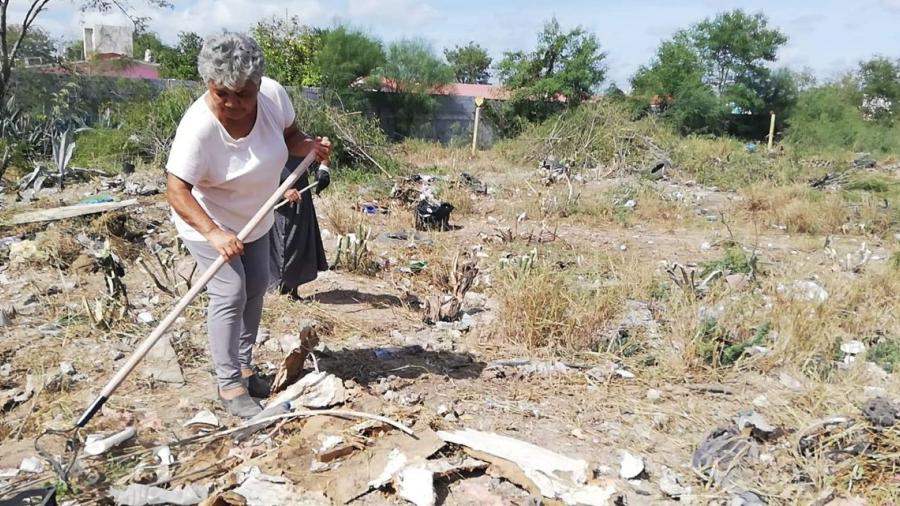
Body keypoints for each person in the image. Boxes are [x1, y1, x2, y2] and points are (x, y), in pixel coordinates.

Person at [165, 31, 331, 418]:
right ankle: (229, 387)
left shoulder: (272, 96)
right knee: (231, 291)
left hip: (256, 217)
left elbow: (289, 135)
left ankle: (243, 367)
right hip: (208, 222)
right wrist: (214, 233)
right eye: (223, 93)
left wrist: (308, 146)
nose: (235, 103)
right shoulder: (198, 129)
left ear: (258, 84)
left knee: (257, 285)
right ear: (209, 83)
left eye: (244, 93)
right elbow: (176, 190)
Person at [268, 156, 330, 299]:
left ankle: (292, 290)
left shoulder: (299, 138)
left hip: (300, 196)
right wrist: (281, 192)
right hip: (272, 196)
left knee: (298, 240)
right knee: (278, 243)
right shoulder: (265, 138)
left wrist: (324, 168)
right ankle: (275, 291)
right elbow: (257, 173)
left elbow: (324, 144)